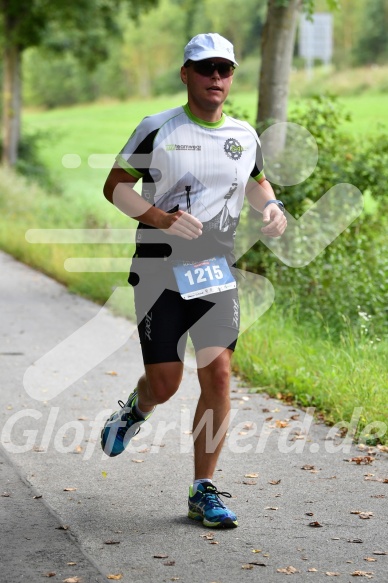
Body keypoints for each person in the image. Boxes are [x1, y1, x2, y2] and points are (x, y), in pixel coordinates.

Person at [101, 33, 287, 528]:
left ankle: (203, 489)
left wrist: (271, 205)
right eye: (205, 69)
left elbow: (254, 179)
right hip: (158, 271)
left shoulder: (244, 135)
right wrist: (160, 218)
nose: (216, 79)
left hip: (214, 272)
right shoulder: (156, 128)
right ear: (186, 74)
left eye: (224, 70)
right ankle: (136, 409)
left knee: (219, 374)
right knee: (165, 383)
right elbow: (114, 186)